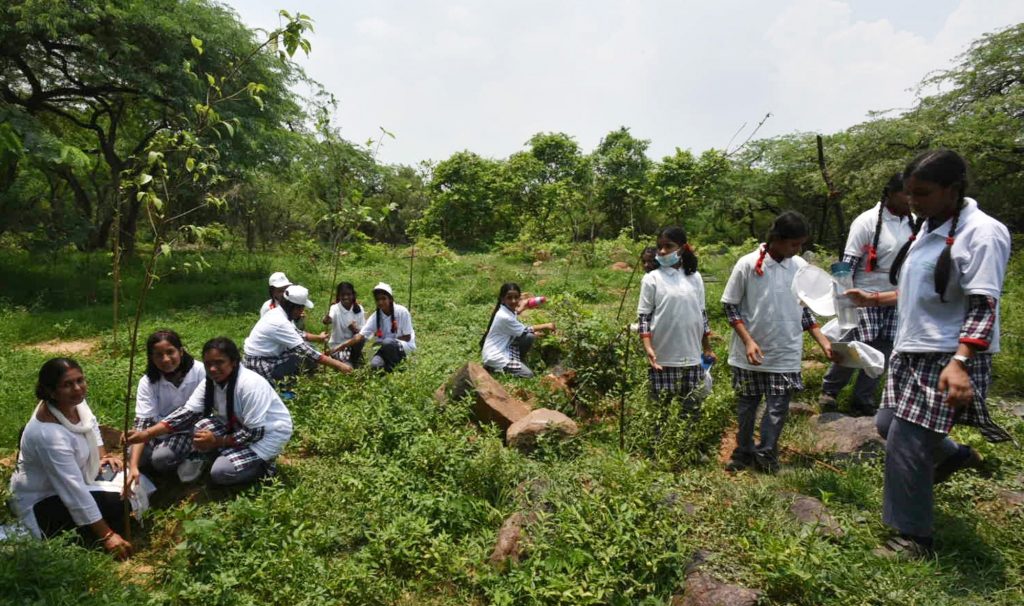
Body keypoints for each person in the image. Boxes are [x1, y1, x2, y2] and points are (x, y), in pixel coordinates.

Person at [845, 150, 1012, 558]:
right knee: (886, 422)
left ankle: (912, 537)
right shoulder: (930, 226)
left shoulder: (982, 233)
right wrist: (876, 298)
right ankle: (954, 456)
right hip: (912, 350)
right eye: (910, 194)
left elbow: (983, 305)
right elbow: (922, 288)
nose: (914, 201)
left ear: (952, 189)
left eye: (923, 193)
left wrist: (961, 363)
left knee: (906, 439)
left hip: (946, 356)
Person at [721, 212, 834, 474]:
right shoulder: (747, 264)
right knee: (747, 406)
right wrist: (748, 341)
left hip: (785, 352)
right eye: (794, 244)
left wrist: (823, 341)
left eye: (801, 244)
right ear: (777, 240)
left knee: (777, 408)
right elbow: (731, 307)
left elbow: (805, 311)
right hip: (751, 353)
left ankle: (767, 455)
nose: (798, 250)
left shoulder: (798, 268)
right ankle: (743, 451)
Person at [8, 358, 133, 559]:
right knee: (118, 502)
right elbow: (72, 490)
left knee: (130, 481)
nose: (77, 389)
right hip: (43, 498)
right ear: (50, 391)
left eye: (80, 380)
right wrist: (108, 536)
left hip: (77, 478)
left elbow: (91, 424)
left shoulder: (74, 403)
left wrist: (103, 455)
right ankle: (76, 533)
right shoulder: (48, 435)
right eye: (67, 385)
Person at [127, 337, 294, 486]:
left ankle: (265, 468)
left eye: (219, 362)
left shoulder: (250, 385)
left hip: (266, 435)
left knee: (220, 473)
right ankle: (227, 454)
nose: (213, 369)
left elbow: (255, 433)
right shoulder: (211, 381)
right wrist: (146, 434)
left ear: (234, 361)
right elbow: (187, 414)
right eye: (208, 364)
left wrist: (217, 441)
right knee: (198, 428)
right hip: (238, 426)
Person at [819, 173, 913, 416]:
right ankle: (830, 391)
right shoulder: (867, 221)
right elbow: (847, 264)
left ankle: (863, 397)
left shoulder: (915, 221)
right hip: (863, 292)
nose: (910, 198)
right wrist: (843, 301)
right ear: (891, 193)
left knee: (884, 349)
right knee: (854, 344)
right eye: (906, 193)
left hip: (895, 296)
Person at [637, 227, 715, 415]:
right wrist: (648, 348)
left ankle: (689, 444)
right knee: (660, 411)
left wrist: (707, 347)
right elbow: (644, 318)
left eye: (668, 246)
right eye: (659, 247)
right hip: (663, 357)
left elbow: (701, 315)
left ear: (682, 248)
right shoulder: (652, 279)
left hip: (692, 356)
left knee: (691, 409)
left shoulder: (694, 278)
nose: (662, 251)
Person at [126, 330, 206, 491]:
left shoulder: (199, 372)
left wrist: (148, 435)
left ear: (181, 351)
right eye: (158, 355)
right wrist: (133, 466)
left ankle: (194, 455)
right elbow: (143, 423)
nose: (166, 360)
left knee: (161, 459)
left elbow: (191, 414)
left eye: (170, 352)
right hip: (156, 431)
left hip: (188, 430)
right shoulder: (148, 382)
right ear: (151, 358)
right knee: (133, 454)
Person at [243, 284, 350, 383]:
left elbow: (298, 334)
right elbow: (308, 352)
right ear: (294, 307)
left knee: (305, 353)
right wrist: (339, 365)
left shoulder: (278, 313)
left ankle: (294, 379)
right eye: (301, 308)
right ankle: (285, 385)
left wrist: (319, 338)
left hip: (261, 357)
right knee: (305, 358)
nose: (302, 311)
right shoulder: (279, 322)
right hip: (259, 364)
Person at [334, 282, 415, 372]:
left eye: (383, 299)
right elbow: (360, 336)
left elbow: (407, 337)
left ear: (390, 299)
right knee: (374, 365)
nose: (380, 302)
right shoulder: (376, 316)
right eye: (377, 299)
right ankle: (390, 367)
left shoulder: (402, 312)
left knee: (388, 342)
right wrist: (340, 346)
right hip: (385, 347)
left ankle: (399, 366)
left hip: (403, 347)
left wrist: (386, 343)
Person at [480, 283, 556, 378]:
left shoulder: (505, 310)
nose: (513, 301)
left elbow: (515, 314)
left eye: (516, 297)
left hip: (502, 348)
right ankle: (494, 368)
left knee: (529, 336)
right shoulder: (504, 317)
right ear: (502, 299)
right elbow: (526, 329)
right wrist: (547, 325)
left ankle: (516, 362)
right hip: (495, 356)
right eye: (509, 298)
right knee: (528, 375)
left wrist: (523, 307)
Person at [323, 282, 366, 367]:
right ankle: (346, 359)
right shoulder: (335, 308)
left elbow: (363, 332)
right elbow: (328, 320)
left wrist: (355, 330)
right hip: (338, 347)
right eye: (343, 295)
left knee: (360, 338)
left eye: (348, 294)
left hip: (352, 345)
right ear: (339, 296)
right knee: (348, 368)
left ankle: (355, 358)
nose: (346, 297)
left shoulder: (359, 308)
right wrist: (327, 319)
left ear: (353, 295)